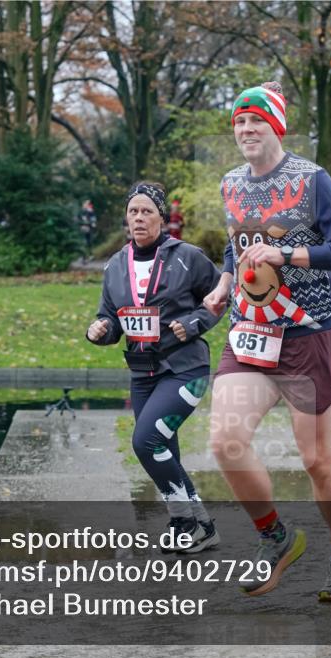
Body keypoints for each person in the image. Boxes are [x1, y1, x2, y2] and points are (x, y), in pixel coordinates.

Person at [202, 81, 331, 601]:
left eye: (256, 120)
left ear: (276, 126)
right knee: (225, 443)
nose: (246, 129)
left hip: (306, 336)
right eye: (239, 122)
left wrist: (289, 255)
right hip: (249, 335)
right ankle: (274, 538)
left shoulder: (311, 180)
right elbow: (236, 245)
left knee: (317, 461)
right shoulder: (231, 183)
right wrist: (224, 284)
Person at [87, 181, 224, 552]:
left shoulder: (188, 256)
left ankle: (184, 520)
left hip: (185, 369)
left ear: (161, 218)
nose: (139, 218)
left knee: (146, 441)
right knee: (162, 448)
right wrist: (99, 329)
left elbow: (219, 298)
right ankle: (202, 526)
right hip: (142, 374)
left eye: (147, 211)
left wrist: (194, 323)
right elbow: (110, 317)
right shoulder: (116, 265)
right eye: (133, 211)